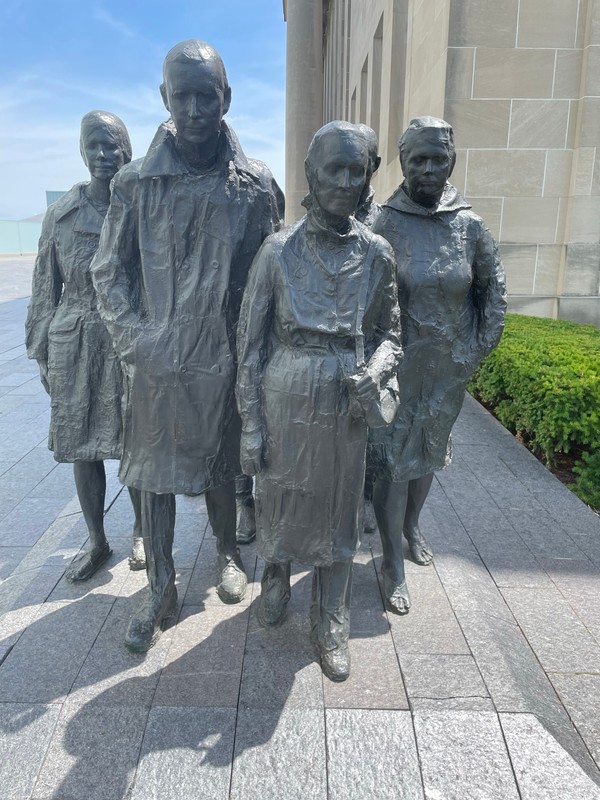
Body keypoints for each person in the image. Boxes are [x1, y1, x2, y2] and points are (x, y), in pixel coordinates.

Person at [90, 40, 281, 652]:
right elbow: (107, 270)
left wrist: (256, 353)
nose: (195, 108)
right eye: (183, 95)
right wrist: (134, 341)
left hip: (224, 356)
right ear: (164, 98)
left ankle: (228, 554)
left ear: (226, 96)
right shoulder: (135, 183)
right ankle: (162, 587)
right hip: (156, 359)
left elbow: (272, 277)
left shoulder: (255, 185)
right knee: (154, 476)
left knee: (222, 465)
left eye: (207, 95)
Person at [236, 121, 403, 681]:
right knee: (280, 498)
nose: (345, 180)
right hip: (286, 390)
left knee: (339, 513)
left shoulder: (378, 254)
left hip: (345, 401)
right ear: (311, 173)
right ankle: (276, 573)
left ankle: (331, 617)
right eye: (334, 168)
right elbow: (250, 346)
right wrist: (251, 424)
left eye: (357, 171)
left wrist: (374, 371)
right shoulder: (277, 251)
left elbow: (391, 336)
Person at [368, 116, 507, 614]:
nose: (428, 169)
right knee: (394, 462)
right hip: (399, 366)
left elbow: (494, 294)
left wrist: (474, 352)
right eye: (417, 159)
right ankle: (391, 564)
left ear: (452, 159)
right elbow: (366, 298)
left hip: (448, 369)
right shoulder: (384, 222)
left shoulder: (469, 226)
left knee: (428, 453)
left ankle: (410, 527)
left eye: (438, 158)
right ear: (403, 162)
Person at [25, 111, 145, 583]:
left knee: (137, 443)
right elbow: (43, 287)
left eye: (112, 146)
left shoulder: (138, 205)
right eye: (94, 145)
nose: (103, 155)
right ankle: (97, 539)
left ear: (127, 151)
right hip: (73, 341)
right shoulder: (62, 214)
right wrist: (41, 351)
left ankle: (142, 532)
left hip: (125, 341)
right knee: (82, 449)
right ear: (81, 150)